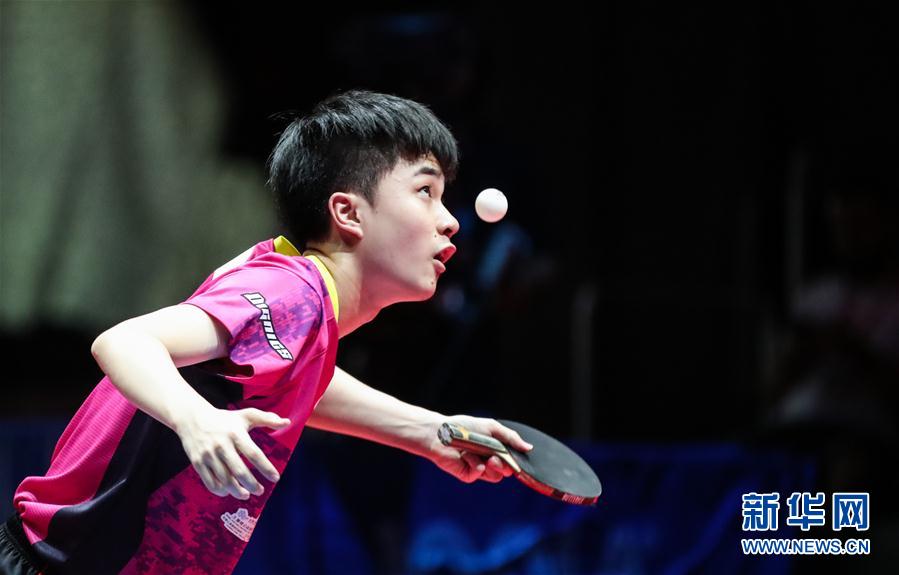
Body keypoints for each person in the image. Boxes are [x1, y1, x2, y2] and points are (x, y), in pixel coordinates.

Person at [1, 90, 531, 575]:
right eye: (425, 191)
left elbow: (300, 379)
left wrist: (433, 432)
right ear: (348, 212)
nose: (449, 220)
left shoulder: (301, 307)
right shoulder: (289, 293)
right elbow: (124, 341)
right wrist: (198, 421)